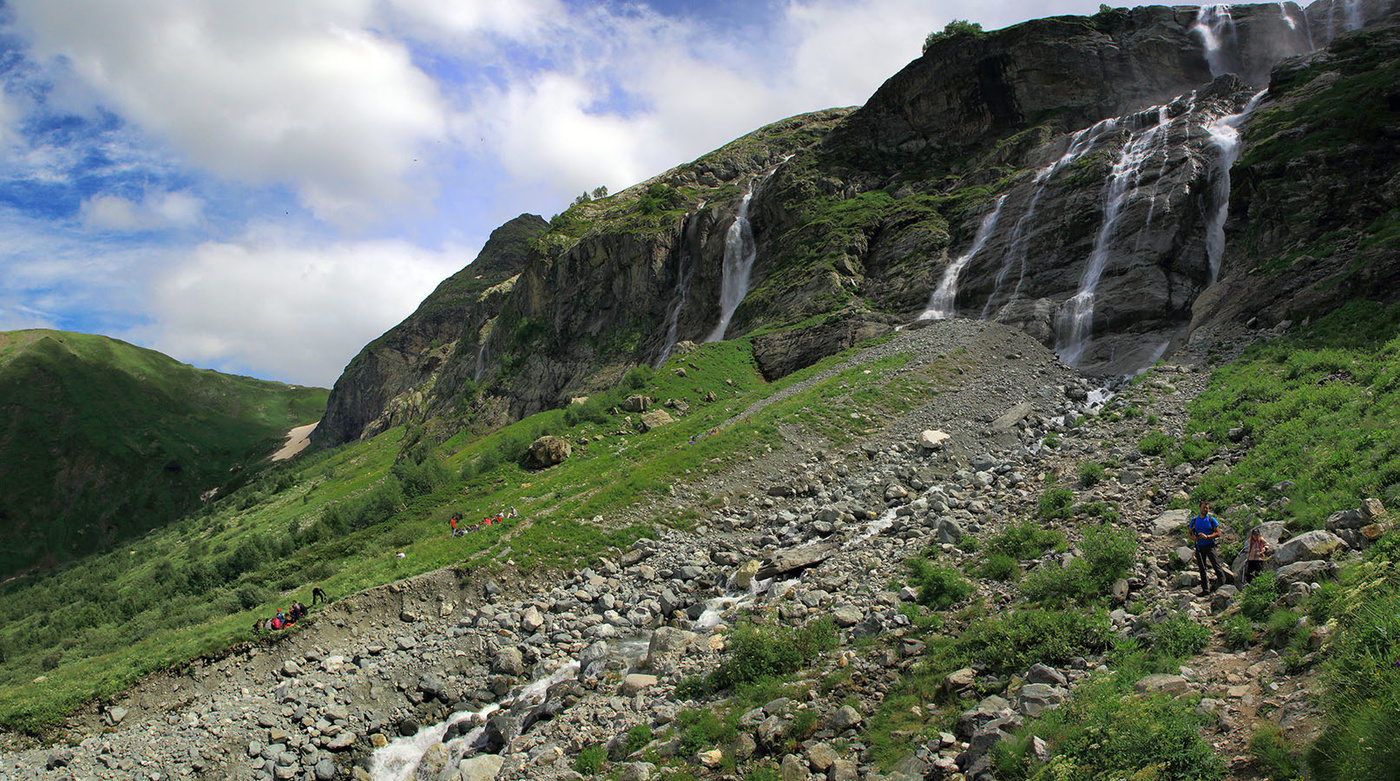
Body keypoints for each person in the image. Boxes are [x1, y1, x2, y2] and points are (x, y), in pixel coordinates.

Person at [1190, 502, 1227, 594]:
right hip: (1199, 546)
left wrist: (1207, 536)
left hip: (1210, 545)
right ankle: (1205, 590)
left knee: (1216, 566)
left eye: (1207, 508)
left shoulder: (1211, 519)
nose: (1205, 509)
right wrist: (1194, 538)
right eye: (1204, 508)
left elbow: (1218, 533)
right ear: (1199, 508)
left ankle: (1223, 587)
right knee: (1202, 568)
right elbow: (1190, 533)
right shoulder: (1194, 520)